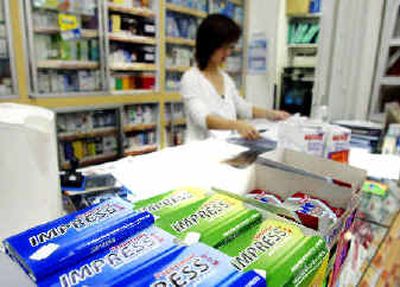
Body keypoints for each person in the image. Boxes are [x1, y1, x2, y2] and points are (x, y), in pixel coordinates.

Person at [180, 14, 290, 142]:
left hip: (227, 147)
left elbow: (243, 108)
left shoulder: (225, 78)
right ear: (209, 44)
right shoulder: (191, 78)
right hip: (201, 151)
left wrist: (272, 114)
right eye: (223, 47)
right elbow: (203, 119)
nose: (227, 53)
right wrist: (237, 125)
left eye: (230, 47)